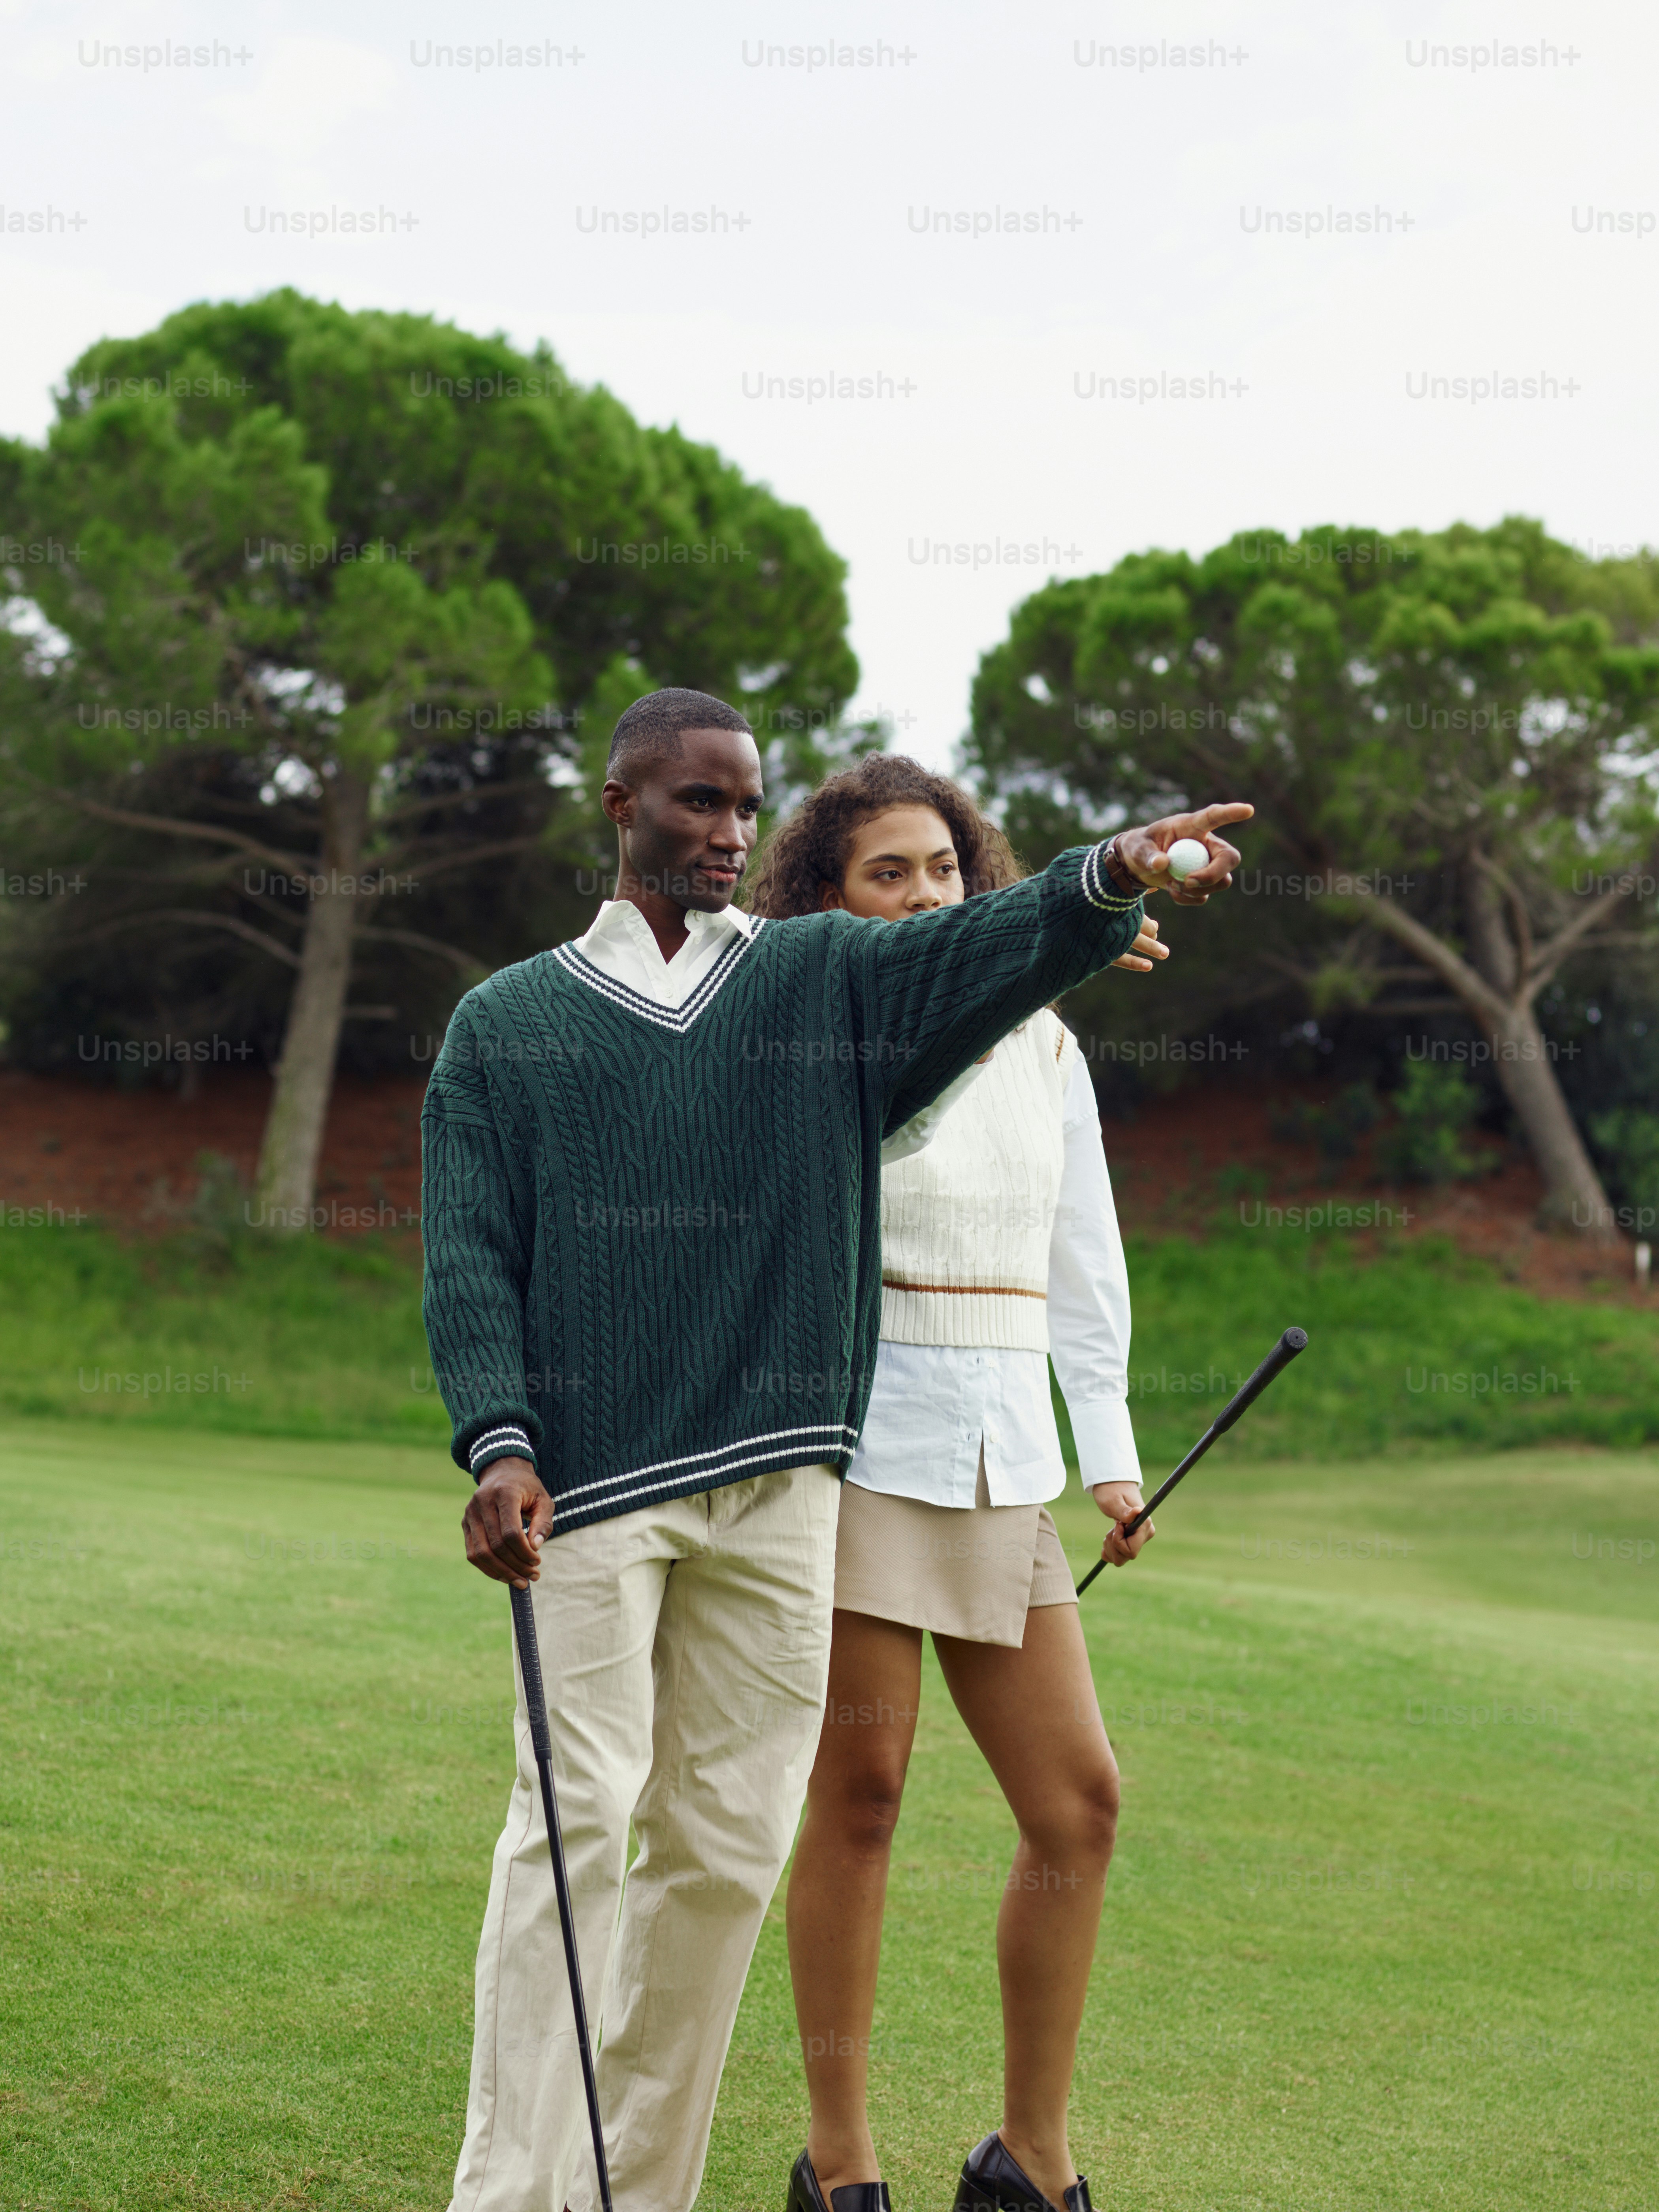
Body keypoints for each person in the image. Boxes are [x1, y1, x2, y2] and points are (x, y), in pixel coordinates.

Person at [422, 685, 1248, 2212]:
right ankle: (509, 2193)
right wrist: (498, 1441)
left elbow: (969, 950)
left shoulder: (812, 979)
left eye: (744, 805)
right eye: (694, 803)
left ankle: (636, 2195)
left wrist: (1110, 873)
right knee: (578, 1829)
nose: (727, 833)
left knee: (731, 1853)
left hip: (788, 1485)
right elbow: (471, 1255)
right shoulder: (507, 1022)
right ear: (620, 806)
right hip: (591, 1489)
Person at [747, 756, 1158, 2212]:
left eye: (945, 870)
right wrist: (1051, 936)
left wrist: (1106, 1458)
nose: (927, 894)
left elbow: (1083, 1254)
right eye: (887, 875)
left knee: (1080, 1805)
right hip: (856, 1439)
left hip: (1006, 1457)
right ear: (825, 905)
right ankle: (841, 2165)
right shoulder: (822, 1023)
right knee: (860, 1797)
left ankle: (1028, 2163)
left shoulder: (1051, 1044)